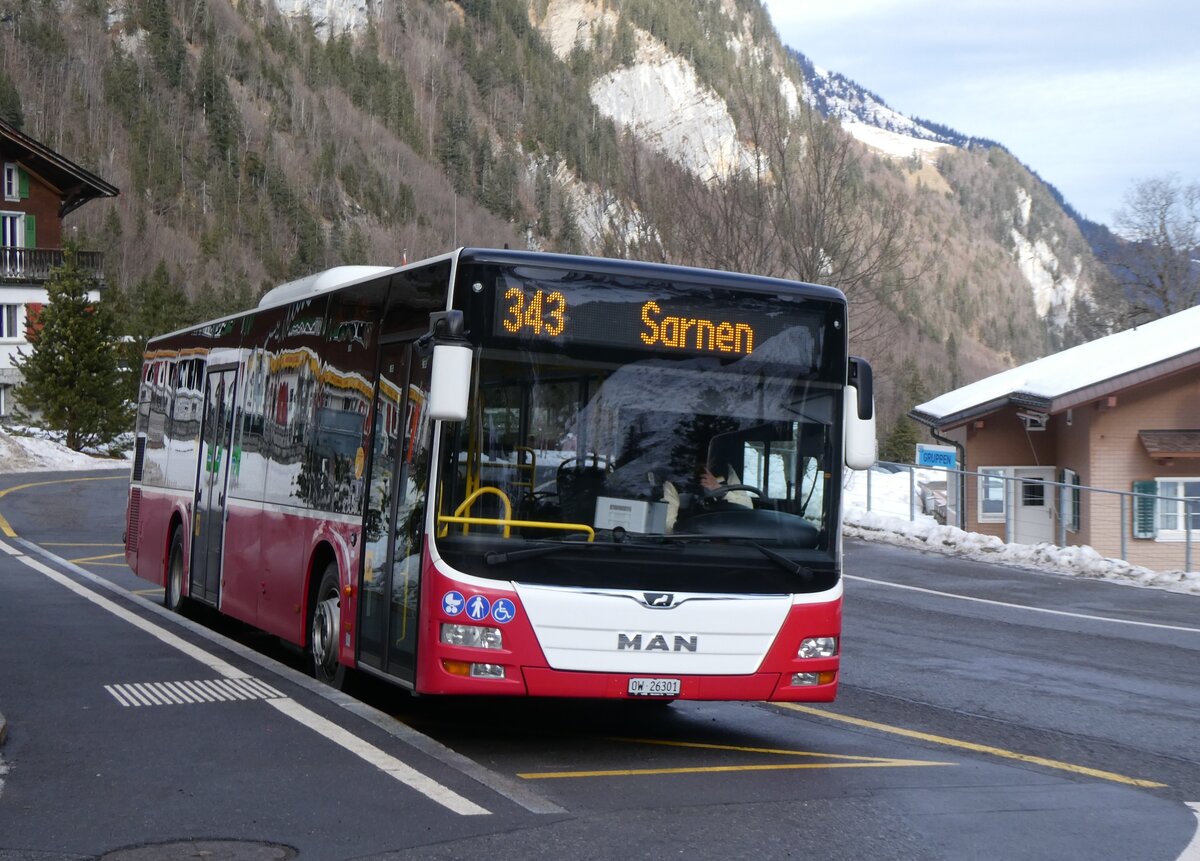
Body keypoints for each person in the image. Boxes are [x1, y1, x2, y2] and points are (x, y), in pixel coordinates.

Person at [662, 460, 752, 531]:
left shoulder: (726, 471)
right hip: (696, 542)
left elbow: (748, 507)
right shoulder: (676, 481)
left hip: (731, 539)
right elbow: (668, 527)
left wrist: (720, 490)